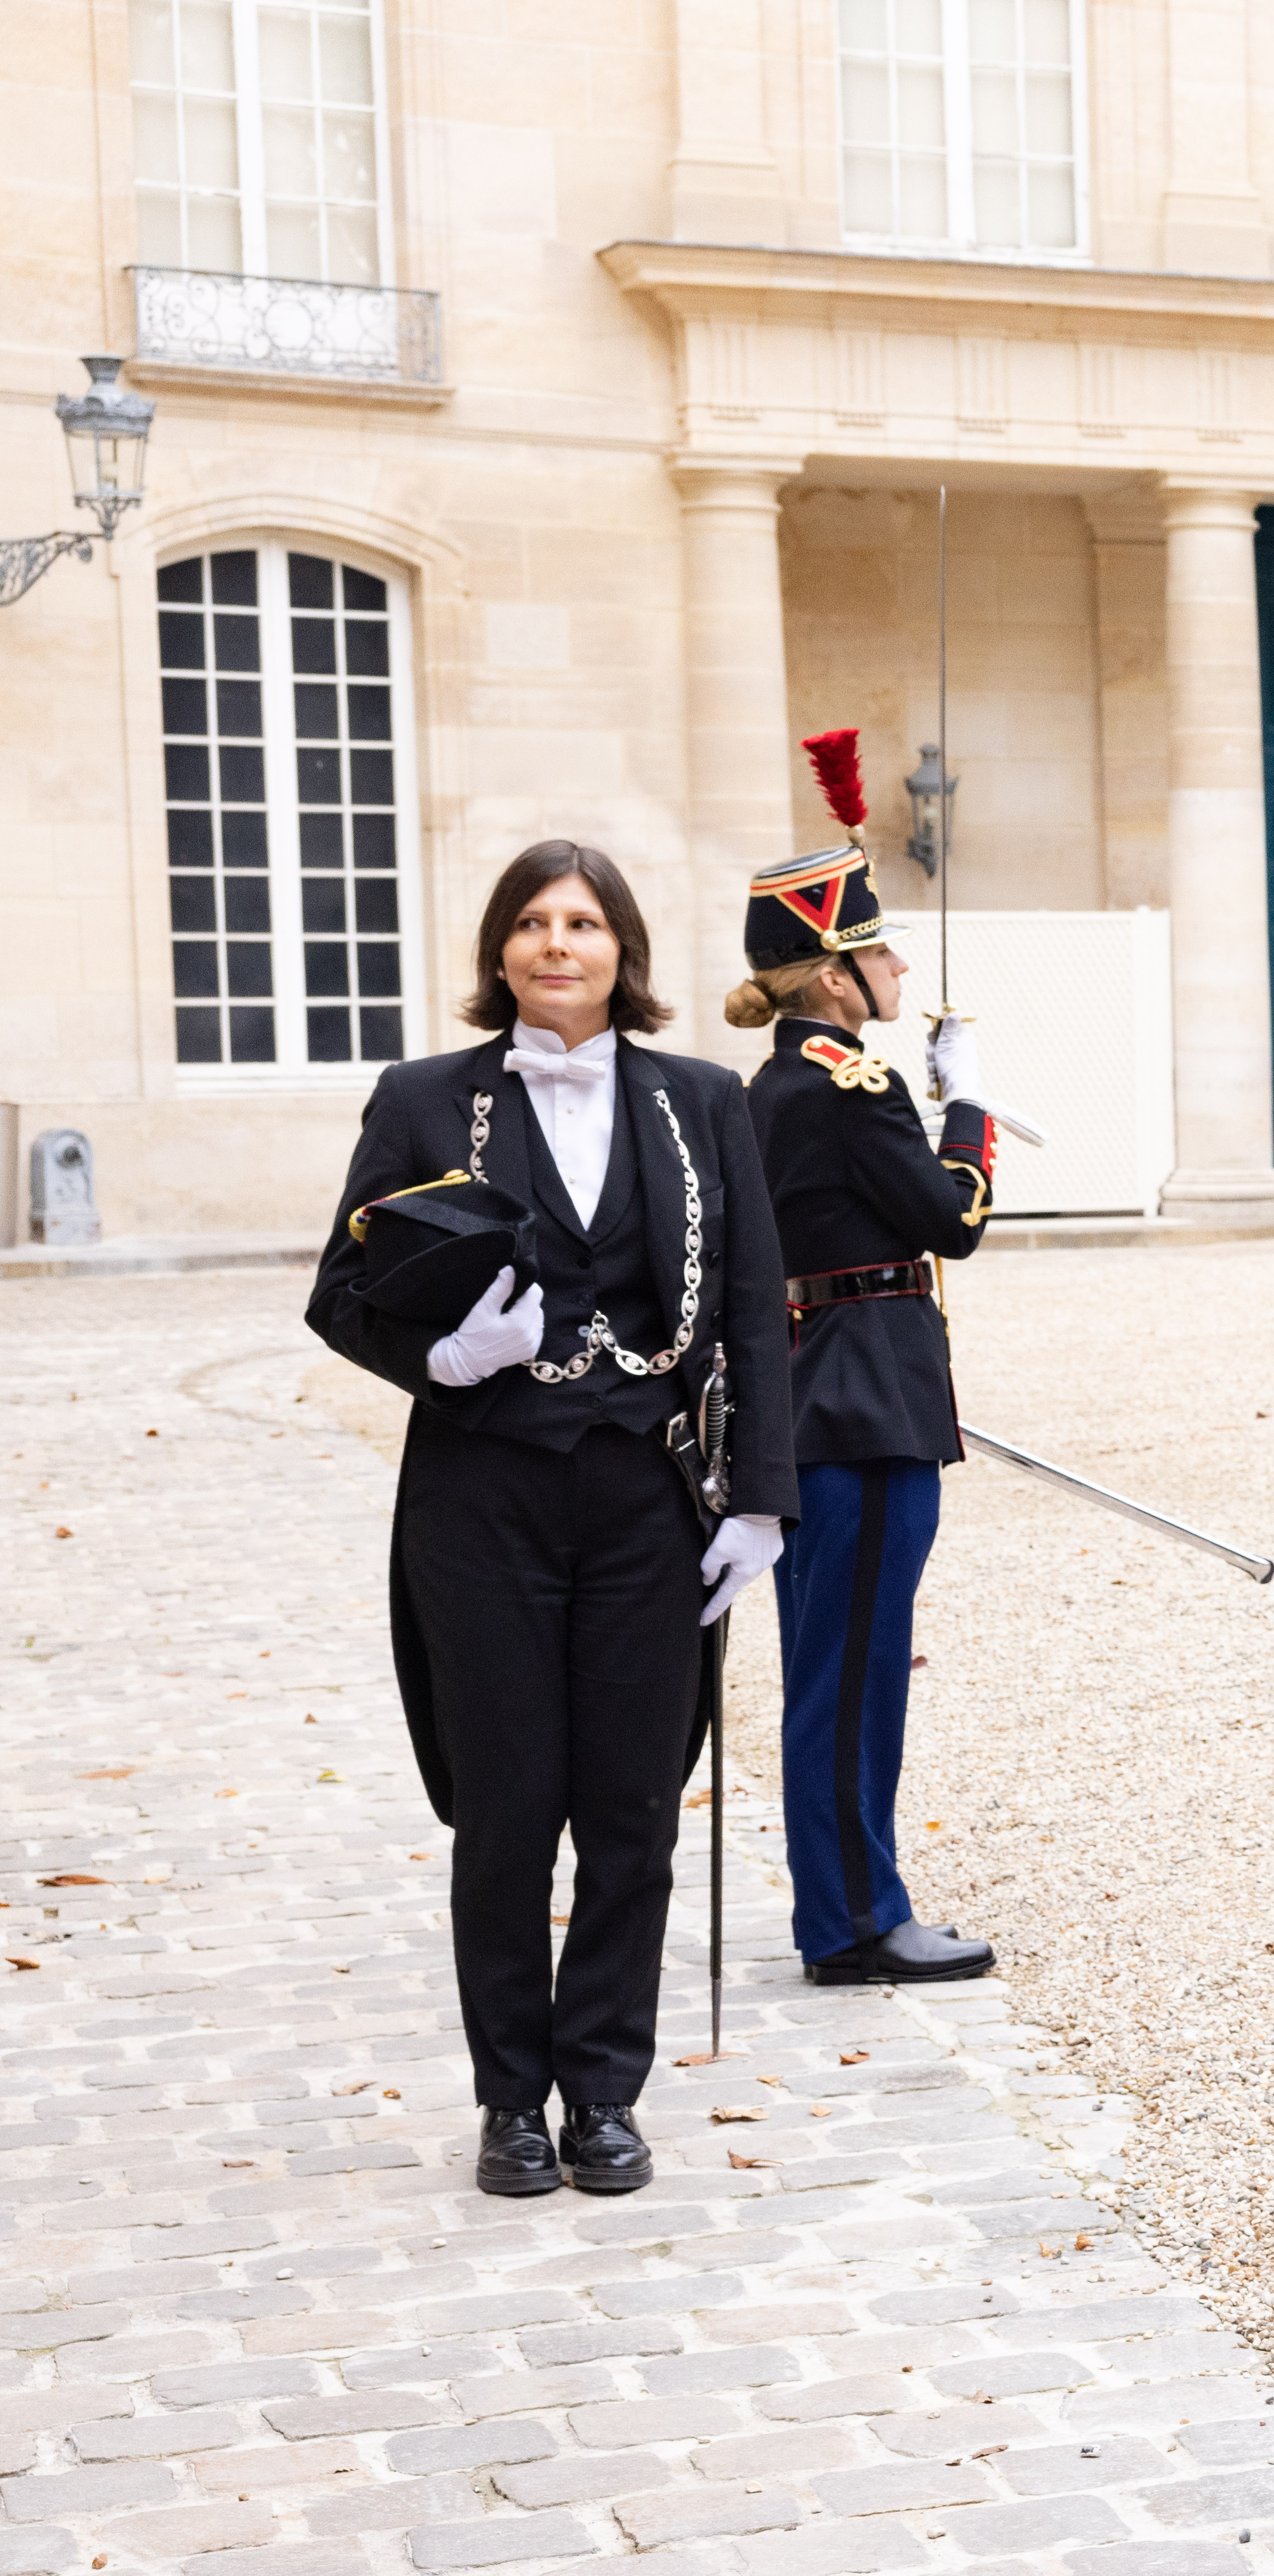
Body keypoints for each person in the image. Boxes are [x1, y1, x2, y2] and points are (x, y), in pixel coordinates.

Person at [310, 841, 799, 2202]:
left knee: (634, 1807)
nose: (556, 943)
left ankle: (605, 2095)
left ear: (622, 951)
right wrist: (447, 1360)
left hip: (649, 1493)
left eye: (582, 921)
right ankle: (510, 2099)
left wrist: (762, 1498)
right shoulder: (424, 1100)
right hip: (484, 1497)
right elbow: (339, 1300)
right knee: (510, 1808)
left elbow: (755, 1305)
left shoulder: (704, 1101)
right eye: (530, 921)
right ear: (500, 951)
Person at [730, 728, 1006, 1991]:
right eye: (880, 947)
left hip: (831, 1389)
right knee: (850, 1676)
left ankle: (853, 1903)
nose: (898, 965)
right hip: (862, 1402)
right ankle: (850, 1921)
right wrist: (969, 1112)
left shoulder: (788, 1083)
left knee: (841, 1666)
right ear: (833, 974)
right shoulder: (844, 1084)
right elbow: (951, 1217)